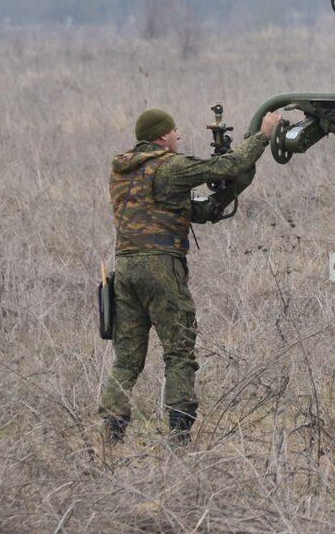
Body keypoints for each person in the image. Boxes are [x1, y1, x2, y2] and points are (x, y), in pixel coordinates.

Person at [98, 106, 283, 445]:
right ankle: (180, 436)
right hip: (161, 267)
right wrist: (263, 135)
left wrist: (213, 204)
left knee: (126, 359)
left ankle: (112, 436)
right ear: (160, 137)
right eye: (174, 132)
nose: (178, 136)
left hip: (124, 269)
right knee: (179, 350)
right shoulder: (170, 167)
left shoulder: (122, 171)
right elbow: (228, 166)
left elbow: (173, 208)